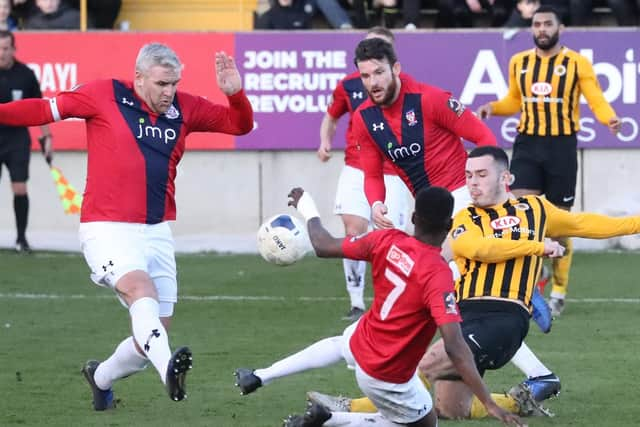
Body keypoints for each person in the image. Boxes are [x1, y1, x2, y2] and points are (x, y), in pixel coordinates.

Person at [0, 42, 253, 409]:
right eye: (162, 83)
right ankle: (169, 370)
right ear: (138, 77)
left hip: (157, 230)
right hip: (106, 228)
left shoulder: (186, 107)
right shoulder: (103, 94)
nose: (169, 92)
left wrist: (235, 93)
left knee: (152, 333)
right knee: (140, 290)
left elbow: (240, 125)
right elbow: (42, 109)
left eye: (174, 83)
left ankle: (100, 377)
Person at [308, 145, 640, 421]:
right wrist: (536, 246)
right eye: (468, 176)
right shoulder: (465, 217)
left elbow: (586, 222)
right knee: (451, 409)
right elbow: (477, 248)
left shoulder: (536, 209)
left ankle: (341, 410)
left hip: (503, 318)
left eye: (481, 175)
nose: (473, 183)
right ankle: (520, 401)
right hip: (465, 315)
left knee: (421, 367)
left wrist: (635, 224)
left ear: (506, 177)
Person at [353, 36, 560, 400]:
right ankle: (536, 357)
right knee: (448, 291)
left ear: (396, 69)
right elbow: (371, 173)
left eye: (379, 72)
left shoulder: (430, 99)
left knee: (441, 286)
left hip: (463, 199)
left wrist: (492, 191)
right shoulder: (364, 118)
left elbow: (482, 136)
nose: (373, 82)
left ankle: (378, 359)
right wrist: (376, 204)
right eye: (366, 75)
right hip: (432, 211)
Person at [276, 186, 524, 427]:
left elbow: (323, 245)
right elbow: (455, 346)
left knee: (414, 416)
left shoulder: (387, 239)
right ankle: (332, 421)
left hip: (363, 347)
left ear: (415, 218)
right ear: (449, 226)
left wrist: (307, 208)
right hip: (389, 372)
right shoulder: (438, 274)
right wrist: (489, 403)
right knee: (425, 424)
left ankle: (328, 418)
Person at [476, 5, 621, 316]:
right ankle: (527, 284)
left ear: (560, 29)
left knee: (559, 224)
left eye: (547, 24)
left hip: (561, 147)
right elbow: (514, 99)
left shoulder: (577, 63)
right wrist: (494, 107)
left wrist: (609, 119)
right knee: (522, 215)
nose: (541, 29)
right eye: (537, 24)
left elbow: (595, 98)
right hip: (527, 144)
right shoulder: (520, 62)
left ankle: (558, 290)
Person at [319, 26, 410, 321]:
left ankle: (391, 299)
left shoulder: (408, 87)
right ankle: (357, 302)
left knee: (389, 237)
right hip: (356, 167)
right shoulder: (348, 84)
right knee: (353, 230)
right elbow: (331, 116)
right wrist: (324, 142)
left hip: (393, 171)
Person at [0, 30, 52, 252]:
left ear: (13, 49)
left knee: (20, 188)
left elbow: (40, 108)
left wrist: (47, 137)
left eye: (4, 48)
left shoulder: (26, 74)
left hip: (16, 139)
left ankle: (21, 239)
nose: (1, 53)